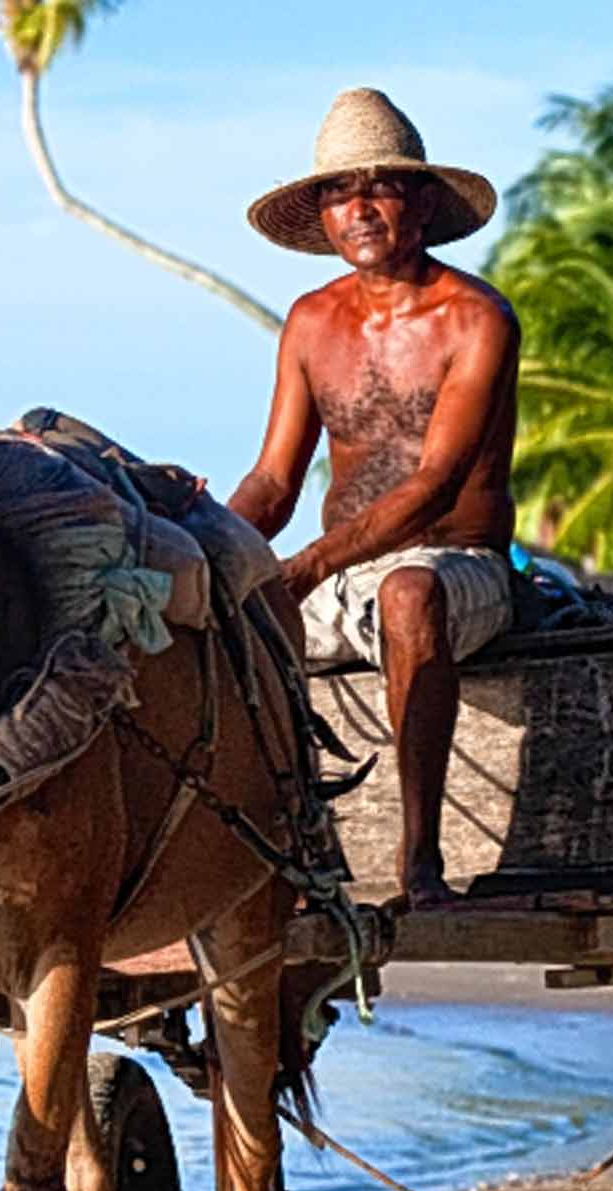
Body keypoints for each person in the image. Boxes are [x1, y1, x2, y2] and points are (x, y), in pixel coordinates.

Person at [228, 88, 520, 908]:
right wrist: (207, 544)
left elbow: (434, 489)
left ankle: (419, 862)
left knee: (406, 591)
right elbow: (275, 482)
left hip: (457, 572)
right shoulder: (310, 322)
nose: (356, 208)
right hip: (339, 581)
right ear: (319, 214)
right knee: (208, 625)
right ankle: (250, 855)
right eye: (335, 192)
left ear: (422, 202)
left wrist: (310, 566)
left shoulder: (476, 318)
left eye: (378, 188)